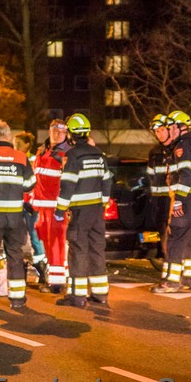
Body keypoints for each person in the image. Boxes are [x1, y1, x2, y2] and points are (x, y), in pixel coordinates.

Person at [54, 114, 112, 307]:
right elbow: (107, 180)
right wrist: (102, 203)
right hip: (96, 212)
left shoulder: (73, 155)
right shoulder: (98, 154)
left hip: (79, 213)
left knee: (78, 251)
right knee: (97, 250)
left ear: (71, 134)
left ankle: (77, 297)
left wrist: (60, 210)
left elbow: (68, 185)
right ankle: (100, 294)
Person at [0, 120, 36, 310]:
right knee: (15, 256)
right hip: (14, 216)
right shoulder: (20, 157)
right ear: (9, 136)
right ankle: (17, 299)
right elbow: (30, 184)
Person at [151, 110, 191, 293]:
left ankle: (171, 282)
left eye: (170, 127)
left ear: (178, 127)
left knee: (175, 237)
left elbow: (186, 175)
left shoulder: (182, 147)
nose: (169, 130)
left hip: (186, 198)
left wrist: (179, 201)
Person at [32, 118, 72, 293]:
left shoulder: (66, 153)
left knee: (57, 245)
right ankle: (55, 277)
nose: (57, 133)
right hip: (42, 208)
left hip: (57, 208)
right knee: (48, 244)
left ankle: (57, 283)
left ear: (66, 133)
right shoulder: (43, 151)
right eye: (54, 129)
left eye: (61, 130)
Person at [13, 131, 48, 286]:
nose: (15, 147)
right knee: (17, 239)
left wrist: (33, 203)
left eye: (18, 144)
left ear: (27, 145)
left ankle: (42, 272)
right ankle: (20, 272)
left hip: (31, 206)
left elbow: (38, 184)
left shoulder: (34, 160)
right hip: (17, 205)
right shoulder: (14, 159)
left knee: (35, 239)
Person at [147, 114, 173, 278]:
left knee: (171, 229)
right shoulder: (154, 152)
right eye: (157, 132)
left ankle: (170, 259)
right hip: (156, 198)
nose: (160, 134)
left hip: (172, 197)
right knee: (159, 228)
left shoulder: (176, 150)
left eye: (162, 130)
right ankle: (161, 254)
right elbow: (150, 175)